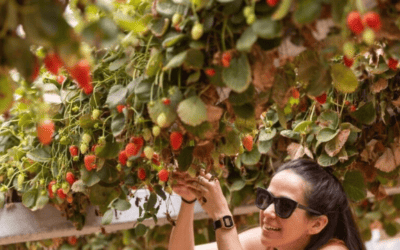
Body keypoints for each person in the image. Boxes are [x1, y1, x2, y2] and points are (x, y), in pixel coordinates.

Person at [168, 159, 366, 250]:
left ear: (317, 224)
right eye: (267, 198)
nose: (269, 211)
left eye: (285, 206)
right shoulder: (273, 242)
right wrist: (188, 200)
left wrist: (222, 216)